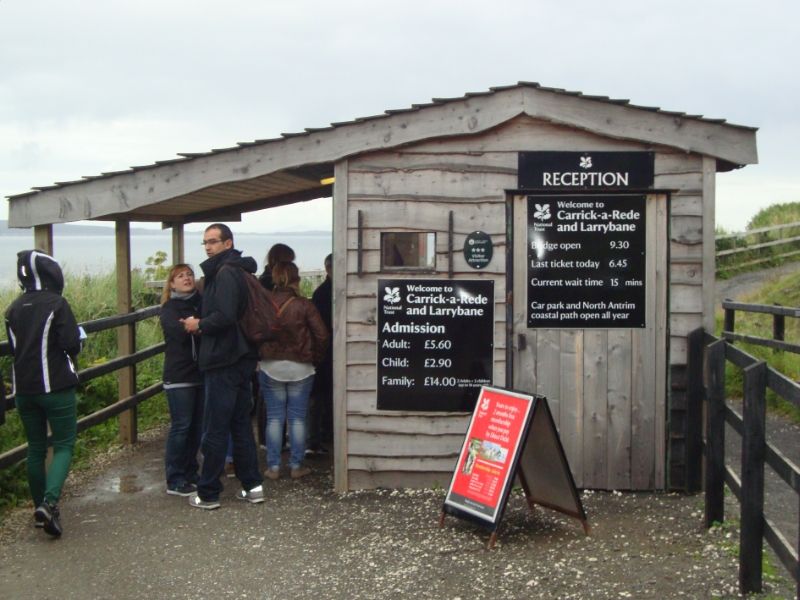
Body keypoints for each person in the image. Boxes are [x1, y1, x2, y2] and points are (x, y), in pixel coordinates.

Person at [181, 224, 264, 509]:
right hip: (241, 358)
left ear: (228, 243)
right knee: (240, 425)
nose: (207, 247)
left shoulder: (226, 273)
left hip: (224, 360)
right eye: (205, 242)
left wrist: (198, 324)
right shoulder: (238, 270)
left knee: (215, 428)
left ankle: (208, 493)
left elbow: (225, 316)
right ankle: (252, 486)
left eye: (213, 242)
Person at [4, 250, 83, 537]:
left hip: (24, 390)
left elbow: (14, 349)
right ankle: (50, 504)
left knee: (35, 448)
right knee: (63, 444)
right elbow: (72, 343)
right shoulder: (56, 303)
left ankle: (40, 508)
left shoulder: (12, 308)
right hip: (56, 386)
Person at [258, 261, 328, 480]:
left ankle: (274, 467)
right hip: (301, 367)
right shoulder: (304, 305)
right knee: (298, 418)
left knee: (275, 418)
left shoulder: (264, 304)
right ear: (296, 279)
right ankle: (297, 466)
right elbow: (322, 335)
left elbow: (254, 332)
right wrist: (314, 359)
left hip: (270, 366)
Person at [159, 264, 204, 496]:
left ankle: (190, 471)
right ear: (172, 283)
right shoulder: (169, 308)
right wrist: (199, 327)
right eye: (180, 276)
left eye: (189, 275)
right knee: (181, 426)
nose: (186, 278)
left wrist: (198, 326)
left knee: (196, 427)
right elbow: (178, 332)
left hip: (200, 374)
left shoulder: (201, 301)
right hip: (179, 376)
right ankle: (174, 477)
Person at [307, 253, 333, 455]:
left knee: (320, 397)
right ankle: (321, 435)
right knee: (322, 396)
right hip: (327, 350)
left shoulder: (320, 293)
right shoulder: (324, 293)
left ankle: (320, 435)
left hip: (324, 351)